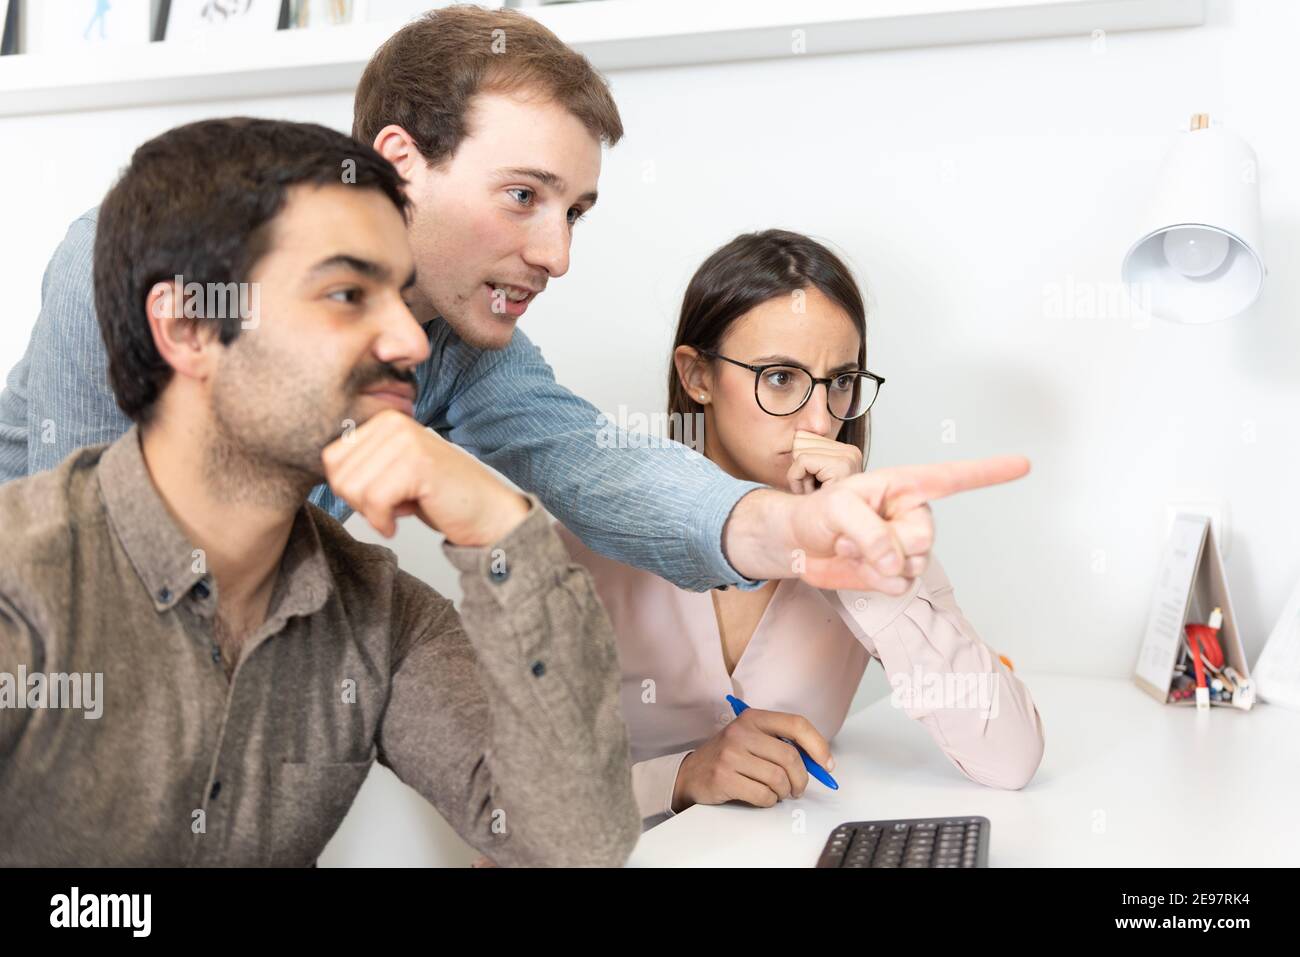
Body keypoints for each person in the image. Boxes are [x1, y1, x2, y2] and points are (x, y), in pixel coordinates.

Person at [0, 4, 1024, 602]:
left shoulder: (456, 337)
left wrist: (785, 530)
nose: (557, 254)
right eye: (523, 196)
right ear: (400, 166)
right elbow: (89, 580)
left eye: (576, 209)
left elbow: (588, 457)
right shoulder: (135, 261)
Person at [0, 118, 640, 867]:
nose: (411, 342)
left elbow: (576, 843)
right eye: (346, 293)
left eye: (398, 295)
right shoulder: (23, 589)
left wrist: (502, 530)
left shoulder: (380, 613)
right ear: (189, 328)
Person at [558, 230, 1045, 825]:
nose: (820, 419)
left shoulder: (869, 532)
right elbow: (504, 799)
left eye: (840, 381)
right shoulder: (592, 537)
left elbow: (1009, 756)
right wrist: (681, 777)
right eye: (781, 377)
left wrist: (869, 571)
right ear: (698, 376)